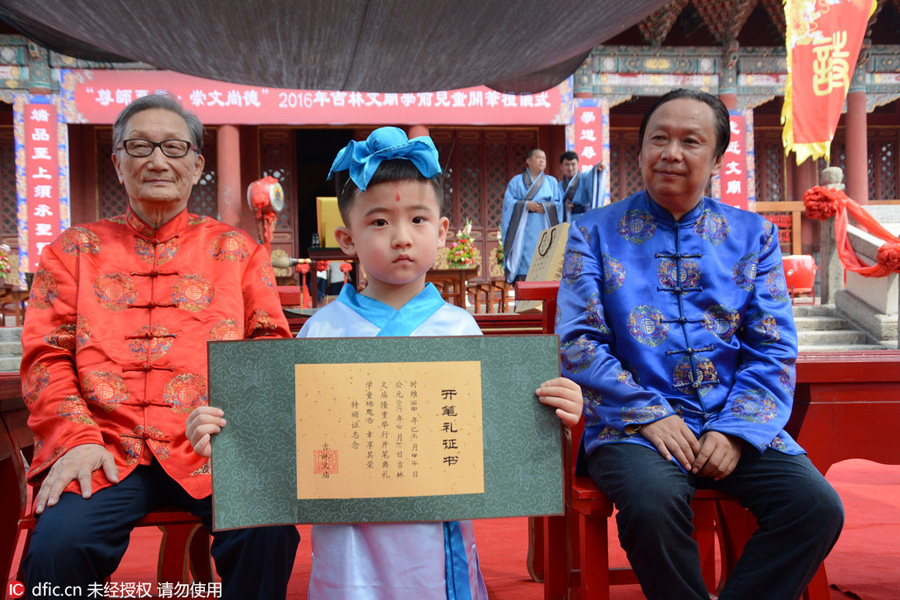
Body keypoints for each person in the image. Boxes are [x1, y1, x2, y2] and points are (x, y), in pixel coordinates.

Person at [189, 127, 583, 599]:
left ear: (440, 232)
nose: (401, 237)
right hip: (349, 537)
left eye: (418, 220)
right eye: (378, 223)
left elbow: (495, 435)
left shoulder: (461, 329)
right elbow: (285, 435)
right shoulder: (320, 331)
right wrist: (228, 435)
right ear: (346, 238)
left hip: (437, 536)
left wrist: (550, 413)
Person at [555, 89, 844, 600]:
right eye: (658, 139)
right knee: (651, 503)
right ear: (640, 148)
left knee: (815, 507)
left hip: (734, 420)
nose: (671, 153)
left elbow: (773, 346)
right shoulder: (591, 233)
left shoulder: (753, 235)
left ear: (716, 158)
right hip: (633, 427)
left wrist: (735, 431)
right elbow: (579, 343)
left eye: (691, 141)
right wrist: (647, 413)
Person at [19, 93, 300, 600]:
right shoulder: (73, 250)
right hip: (103, 447)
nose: (156, 160)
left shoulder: (238, 252)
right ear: (118, 162)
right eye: (140, 145)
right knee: (58, 548)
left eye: (173, 147)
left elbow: (269, 352)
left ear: (196, 164)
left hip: (209, 447)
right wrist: (77, 437)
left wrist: (235, 427)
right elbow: (46, 357)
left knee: (269, 530)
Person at [500, 148, 562, 283]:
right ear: (528, 161)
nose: (542, 160)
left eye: (544, 158)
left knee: (544, 266)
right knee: (523, 267)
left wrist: (546, 207)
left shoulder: (551, 182)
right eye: (538, 157)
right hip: (522, 233)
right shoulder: (516, 182)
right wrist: (525, 205)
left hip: (543, 226)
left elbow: (558, 204)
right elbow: (508, 203)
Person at [558, 150, 581, 222]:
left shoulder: (586, 182)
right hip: (566, 224)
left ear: (578, 164)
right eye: (567, 165)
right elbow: (553, 206)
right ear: (561, 166)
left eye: (573, 164)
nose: (570, 168)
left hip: (584, 222)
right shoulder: (558, 187)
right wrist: (563, 208)